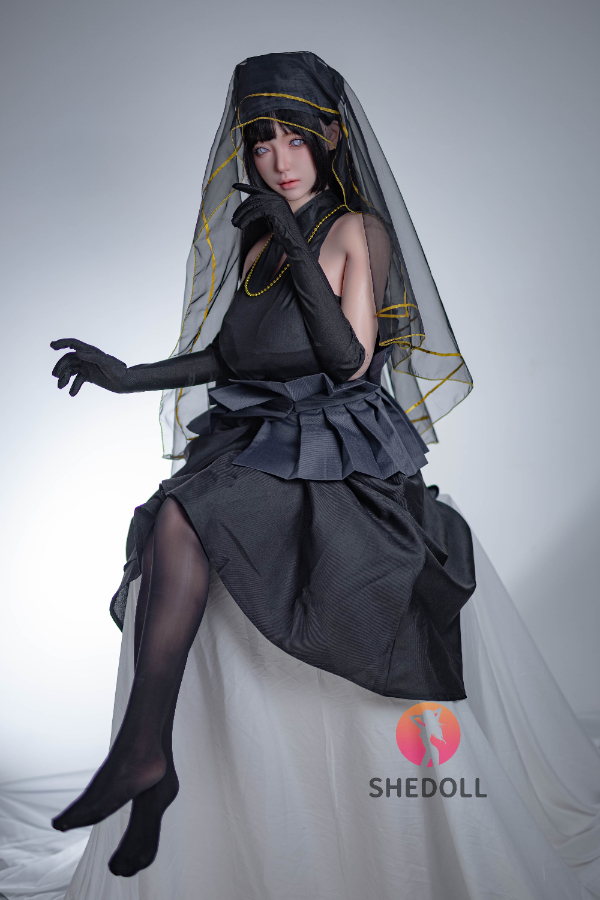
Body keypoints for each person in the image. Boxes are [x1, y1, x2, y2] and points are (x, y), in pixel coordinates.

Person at [49, 51, 477, 878]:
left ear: (330, 139)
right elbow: (235, 355)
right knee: (170, 513)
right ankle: (148, 760)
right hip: (264, 432)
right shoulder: (260, 236)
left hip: (335, 444)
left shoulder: (356, 231)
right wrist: (127, 376)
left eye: (293, 139)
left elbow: (348, 360)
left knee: (185, 511)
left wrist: (291, 236)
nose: (276, 159)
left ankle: (145, 758)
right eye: (260, 142)